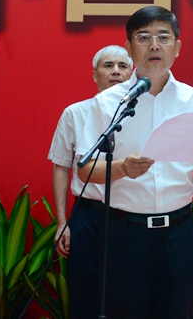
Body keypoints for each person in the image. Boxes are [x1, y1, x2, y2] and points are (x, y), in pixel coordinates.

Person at [76, 5, 193, 319]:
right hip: (124, 232)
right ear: (130, 48)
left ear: (177, 47)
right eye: (144, 38)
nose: (154, 45)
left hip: (178, 233)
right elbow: (86, 170)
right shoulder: (108, 103)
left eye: (163, 37)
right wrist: (122, 168)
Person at [47, 45, 133, 319]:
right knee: (84, 293)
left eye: (122, 66)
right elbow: (61, 167)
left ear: (132, 74)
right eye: (108, 66)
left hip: (132, 217)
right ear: (94, 75)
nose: (116, 72)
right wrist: (62, 222)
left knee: (128, 294)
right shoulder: (75, 113)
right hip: (89, 216)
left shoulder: (142, 115)